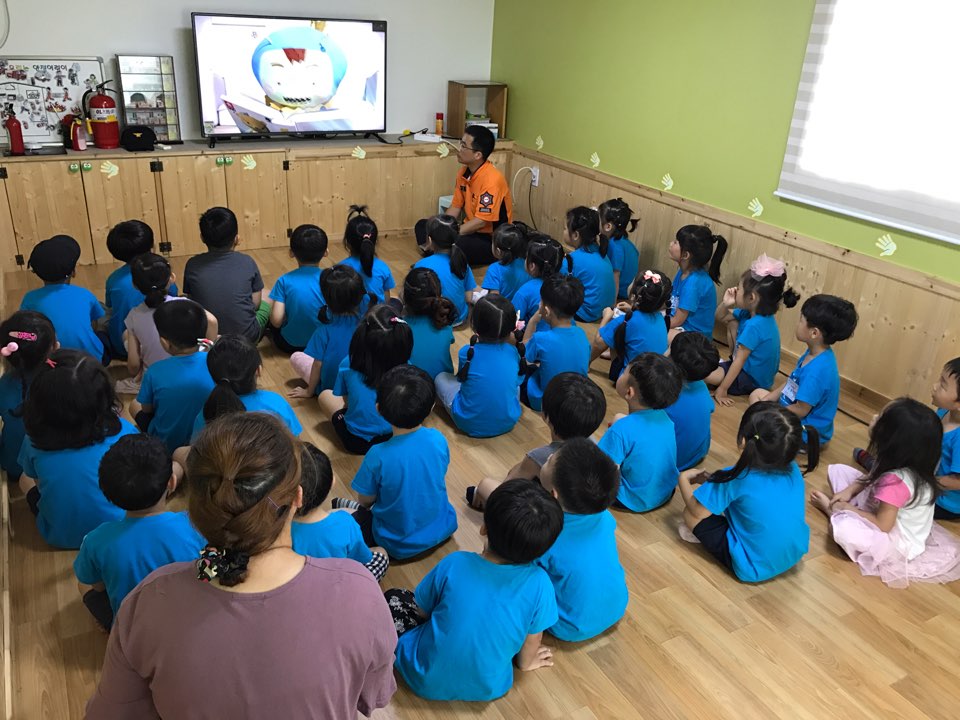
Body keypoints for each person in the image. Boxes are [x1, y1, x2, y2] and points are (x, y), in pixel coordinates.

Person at [86, 413, 399, 718]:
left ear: (195, 507)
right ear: (297, 498)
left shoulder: (147, 602)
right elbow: (373, 696)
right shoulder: (359, 590)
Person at [389, 479, 562, 702]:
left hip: (421, 675)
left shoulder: (455, 563)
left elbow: (422, 611)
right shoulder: (541, 583)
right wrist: (526, 663)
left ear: (484, 528)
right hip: (490, 687)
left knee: (395, 597)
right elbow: (532, 638)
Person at [809, 398, 960, 587]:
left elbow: (883, 525)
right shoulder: (904, 460)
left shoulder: (896, 481)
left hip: (895, 541)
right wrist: (849, 490)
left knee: (847, 533)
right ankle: (843, 511)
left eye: (880, 419)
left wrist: (848, 508)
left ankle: (832, 512)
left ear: (892, 439)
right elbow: (871, 476)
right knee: (839, 471)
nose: (873, 418)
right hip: (885, 510)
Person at [74, 434, 204, 629]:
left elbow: (98, 587)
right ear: (172, 482)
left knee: (83, 585)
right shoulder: (195, 525)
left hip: (133, 630)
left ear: (108, 493)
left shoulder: (95, 541)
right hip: (188, 624)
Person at [678, 402, 818, 582]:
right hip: (794, 553)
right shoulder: (793, 469)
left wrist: (683, 480)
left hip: (752, 567)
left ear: (743, 441)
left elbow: (697, 511)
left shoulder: (736, 477)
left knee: (689, 515)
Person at [18, 349, 139, 549]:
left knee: (25, 478)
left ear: (39, 401)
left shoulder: (33, 441)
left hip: (59, 535)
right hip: (119, 528)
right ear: (104, 397)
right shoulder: (124, 431)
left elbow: (40, 483)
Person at [339, 365, 457, 559]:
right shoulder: (438, 439)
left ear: (378, 409)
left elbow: (366, 501)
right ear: (431, 408)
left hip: (396, 543)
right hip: (443, 528)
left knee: (341, 516)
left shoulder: (377, 455)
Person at [468, 372, 607, 508]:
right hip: (579, 513)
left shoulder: (541, 457)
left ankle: (479, 499)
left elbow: (507, 488)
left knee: (485, 485)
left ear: (546, 416)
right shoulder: (595, 448)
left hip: (543, 516)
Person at [536, 438, 628, 641]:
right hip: (617, 607)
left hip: (568, 625)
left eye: (550, 461)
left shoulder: (544, 530)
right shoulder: (605, 517)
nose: (548, 457)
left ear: (554, 494)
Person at [750, 294, 858, 447]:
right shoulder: (815, 353)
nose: (798, 323)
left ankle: (794, 445)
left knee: (760, 417)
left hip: (805, 431)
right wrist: (768, 401)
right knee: (757, 395)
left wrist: (772, 411)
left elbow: (801, 410)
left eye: (801, 320)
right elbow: (791, 381)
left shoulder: (817, 372)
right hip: (792, 409)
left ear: (814, 333)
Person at [707, 254, 800, 405]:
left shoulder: (755, 326)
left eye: (739, 288)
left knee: (706, 374)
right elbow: (720, 316)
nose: (736, 291)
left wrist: (722, 389)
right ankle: (725, 371)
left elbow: (740, 360)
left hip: (751, 379)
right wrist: (726, 303)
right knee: (732, 322)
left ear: (751, 298)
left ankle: (727, 380)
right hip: (751, 371)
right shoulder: (755, 314)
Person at [320, 304, 413, 455]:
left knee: (325, 396)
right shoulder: (408, 367)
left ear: (360, 338)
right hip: (397, 437)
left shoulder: (348, 364)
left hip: (358, 442)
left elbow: (346, 400)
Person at [415, 124, 512, 267]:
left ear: (477, 155)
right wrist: (441, 227)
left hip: (492, 240)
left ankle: (435, 254)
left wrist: (451, 233)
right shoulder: (463, 173)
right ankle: (440, 255)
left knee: (457, 244)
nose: (458, 149)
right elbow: (455, 206)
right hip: (469, 230)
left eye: (463, 146)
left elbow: (481, 221)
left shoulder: (492, 180)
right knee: (423, 225)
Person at [292, 442, 390, 580]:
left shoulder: (276, 529)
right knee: (381, 553)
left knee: (339, 503)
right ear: (332, 481)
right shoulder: (346, 523)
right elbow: (360, 558)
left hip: (303, 585)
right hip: (338, 583)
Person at [599, 353, 683, 512]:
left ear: (629, 392)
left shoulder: (621, 430)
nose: (621, 373)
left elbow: (604, 473)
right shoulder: (666, 419)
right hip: (665, 491)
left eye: (624, 371)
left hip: (632, 499)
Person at [123, 252, 216, 394]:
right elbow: (212, 321)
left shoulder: (134, 316)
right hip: (193, 367)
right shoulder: (185, 304)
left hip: (156, 375)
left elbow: (133, 366)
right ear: (171, 277)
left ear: (135, 285)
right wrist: (204, 352)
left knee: (126, 336)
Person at [129, 300, 215, 452]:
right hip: (204, 442)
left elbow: (147, 410)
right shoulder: (214, 361)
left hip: (165, 444)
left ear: (165, 342)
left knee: (134, 405)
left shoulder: (155, 371)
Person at [435, 294, 523, 438]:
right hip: (508, 422)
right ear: (511, 329)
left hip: (467, 422)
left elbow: (461, 380)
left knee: (440, 378)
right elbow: (518, 380)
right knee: (513, 387)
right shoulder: (513, 352)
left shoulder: (466, 352)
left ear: (474, 324)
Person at [182, 206, 269, 343]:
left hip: (208, 338)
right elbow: (256, 304)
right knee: (268, 298)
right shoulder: (247, 262)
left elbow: (192, 299)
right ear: (236, 238)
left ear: (202, 238)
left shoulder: (192, 264)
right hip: (246, 338)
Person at [20, 234, 108, 364]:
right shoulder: (85, 294)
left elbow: (25, 329)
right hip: (90, 361)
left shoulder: (29, 299)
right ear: (73, 272)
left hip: (50, 364)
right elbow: (94, 325)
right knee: (103, 319)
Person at [192, 334, 302, 438]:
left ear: (213, 376)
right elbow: (294, 440)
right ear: (258, 371)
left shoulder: (206, 414)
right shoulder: (276, 403)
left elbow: (195, 447)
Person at [289, 265, 375, 397]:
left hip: (330, 389)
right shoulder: (368, 316)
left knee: (296, 357)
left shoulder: (323, 331)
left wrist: (309, 391)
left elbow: (317, 365)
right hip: (362, 385)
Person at [103, 220, 175, 360]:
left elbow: (111, 307)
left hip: (122, 348)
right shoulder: (162, 272)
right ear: (152, 246)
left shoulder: (114, 279)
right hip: (164, 347)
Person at [0, 311, 56, 483]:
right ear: (52, 349)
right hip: (50, 472)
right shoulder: (62, 384)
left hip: (13, 465)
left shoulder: (3, 385)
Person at [521, 274, 590, 412]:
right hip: (574, 399)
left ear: (546, 310)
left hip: (544, 401)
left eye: (541, 302)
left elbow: (524, 351)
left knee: (521, 368)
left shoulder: (541, 339)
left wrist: (533, 321)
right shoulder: (581, 334)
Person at [593, 269, 671, 380]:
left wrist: (606, 317)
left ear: (634, 295)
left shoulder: (626, 320)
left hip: (629, 381)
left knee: (618, 333)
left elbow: (598, 344)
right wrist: (632, 309)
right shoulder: (661, 318)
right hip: (654, 381)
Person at [267, 223, 328, 354]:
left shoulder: (284, 281)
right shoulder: (331, 278)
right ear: (326, 252)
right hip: (324, 344)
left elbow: (276, 321)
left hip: (291, 345)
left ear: (291, 253)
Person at [666, 332, 720, 471]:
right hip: (697, 455)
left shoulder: (664, 392)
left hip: (670, 462)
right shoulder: (701, 385)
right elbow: (710, 408)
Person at [412, 214, 477, 326]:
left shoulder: (421, 264)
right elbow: (468, 298)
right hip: (458, 319)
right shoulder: (462, 263)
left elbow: (415, 297)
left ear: (430, 240)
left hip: (433, 320)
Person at [667, 224, 728, 337]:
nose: (671, 243)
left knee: (654, 333)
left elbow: (677, 321)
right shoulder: (683, 271)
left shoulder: (693, 283)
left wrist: (654, 325)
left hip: (694, 336)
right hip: (680, 326)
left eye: (676, 242)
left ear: (685, 255)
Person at [562, 206, 616, 322]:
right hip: (605, 310)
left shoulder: (572, 259)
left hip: (586, 313)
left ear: (576, 235)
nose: (564, 231)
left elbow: (557, 285)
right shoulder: (602, 252)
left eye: (565, 228)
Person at [402, 267, 456, 379]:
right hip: (442, 384)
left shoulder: (399, 328)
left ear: (405, 297)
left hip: (413, 386)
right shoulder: (444, 323)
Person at [338, 205, 395, 302]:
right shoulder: (382, 267)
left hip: (351, 312)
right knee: (396, 302)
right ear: (374, 242)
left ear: (347, 242)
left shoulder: (340, 269)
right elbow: (386, 300)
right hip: (377, 312)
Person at [511, 235, 567, 327]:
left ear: (532, 266)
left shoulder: (525, 291)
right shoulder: (565, 285)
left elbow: (513, 322)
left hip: (533, 335)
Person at [930, 358, 960, 519]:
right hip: (929, 481)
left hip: (945, 503)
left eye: (942, 385)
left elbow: (957, 482)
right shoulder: (943, 411)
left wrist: (922, 483)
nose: (935, 386)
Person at [598, 198, 640, 300]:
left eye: (598, 219)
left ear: (608, 226)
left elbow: (615, 277)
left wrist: (612, 304)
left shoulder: (615, 246)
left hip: (621, 295)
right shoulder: (624, 242)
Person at [481, 222, 532, 300]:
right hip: (522, 306)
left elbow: (494, 300)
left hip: (503, 307)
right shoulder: (526, 265)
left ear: (498, 251)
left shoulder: (494, 269)